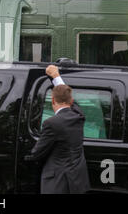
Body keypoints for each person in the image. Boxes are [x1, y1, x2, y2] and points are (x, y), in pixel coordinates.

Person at [26, 65, 90, 194]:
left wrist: (27, 156)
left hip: (58, 183)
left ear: (53, 100)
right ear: (71, 101)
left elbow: (37, 152)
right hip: (77, 180)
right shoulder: (79, 116)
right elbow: (74, 103)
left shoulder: (51, 123)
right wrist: (56, 77)